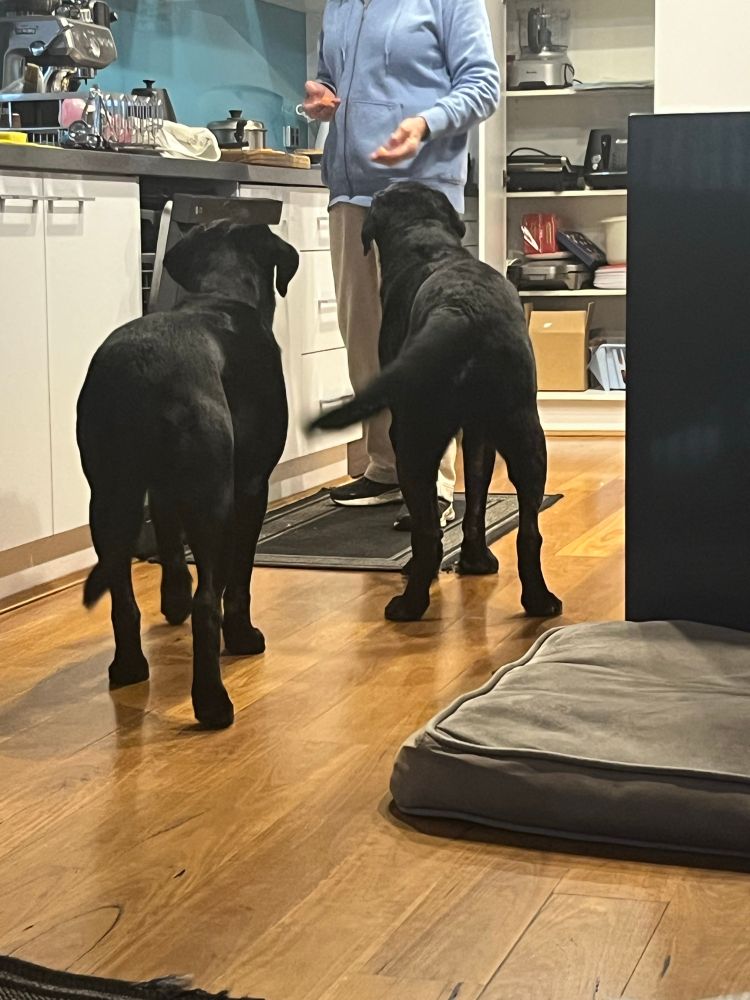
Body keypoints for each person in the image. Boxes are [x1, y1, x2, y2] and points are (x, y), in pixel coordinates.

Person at [304, 0, 500, 530]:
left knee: (423, 342)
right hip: (351, 193)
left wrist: (423, 121)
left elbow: (484, 85)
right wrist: (321, 95)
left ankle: (431, 480)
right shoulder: (340, 6)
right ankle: (388, 467)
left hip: (421, 194)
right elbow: (330, 76)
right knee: (365, 339)